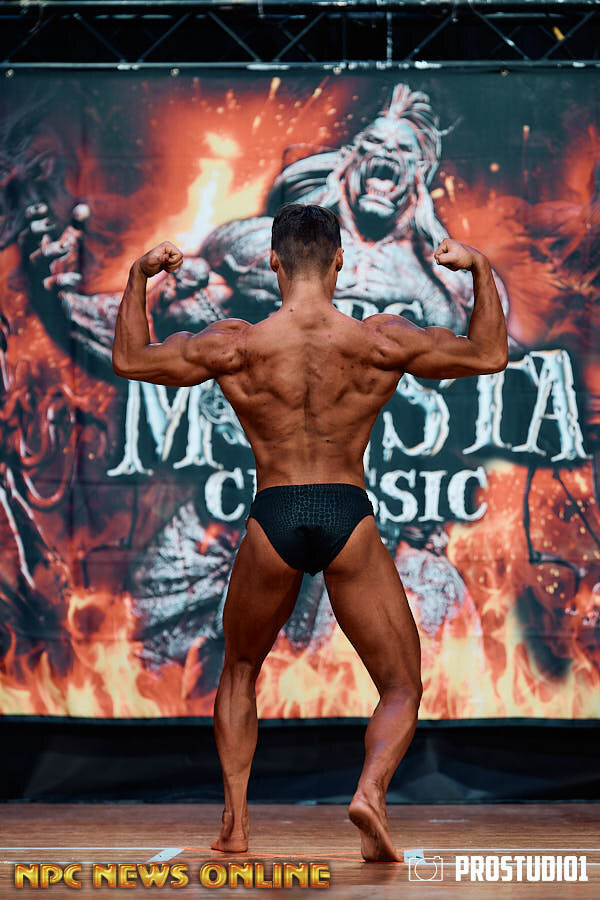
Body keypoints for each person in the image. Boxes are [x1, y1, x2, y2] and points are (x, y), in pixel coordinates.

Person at [112, 203, 508, 862]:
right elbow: (489, 353)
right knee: (401, 686)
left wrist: (138, 276)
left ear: (273, 262)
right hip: (345, 512)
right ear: (339, 262)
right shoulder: (380, 340)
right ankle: (370, 793)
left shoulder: (235, 344)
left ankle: (236, 825)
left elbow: (131, 358)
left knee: (240, 670)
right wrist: (480, 270)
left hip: (273, 513)